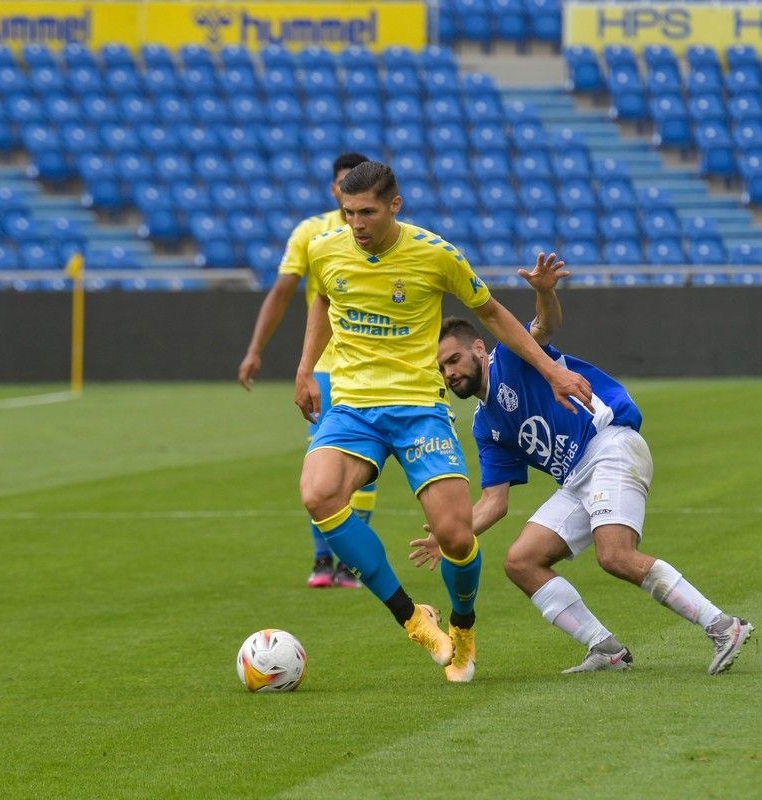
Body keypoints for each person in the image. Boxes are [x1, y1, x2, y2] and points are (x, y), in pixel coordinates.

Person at [294, 161, 594, 683]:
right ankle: (413, 619)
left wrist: (551, 373)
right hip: (353, 406)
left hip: (417, 408)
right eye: (348, 213)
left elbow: (494, 313)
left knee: (455, 536)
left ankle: (463, 626)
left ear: (395, 205)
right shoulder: (325, 250)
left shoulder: (435, 254)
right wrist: (303, 370)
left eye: (366, 212)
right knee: (319, 496)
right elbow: (322, 300)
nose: (356, 224)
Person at [415, 254, 754, 675]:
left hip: (608, 443)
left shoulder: (512, 357)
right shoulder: (486, 426)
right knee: (521, 561)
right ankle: (605, 648)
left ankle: (723, 625)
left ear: (478, 349)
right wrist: (452, 536)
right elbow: (493, 503)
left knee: (614, 555)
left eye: (453, 360)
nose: (448, 374)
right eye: (441, 368)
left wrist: (544, 292)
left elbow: (546, 326)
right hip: (576, 476)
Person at [237, 152, 373, 590]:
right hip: (328, 367)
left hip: (373, 368)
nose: (347, 186)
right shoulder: (312, 234)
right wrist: (256, 348)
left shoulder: (382, 235)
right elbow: (281, 293)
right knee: (322, 463)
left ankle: (348, 563)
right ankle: (322, 560)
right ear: (333, 188)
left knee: (365, 464)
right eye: (342, 181)